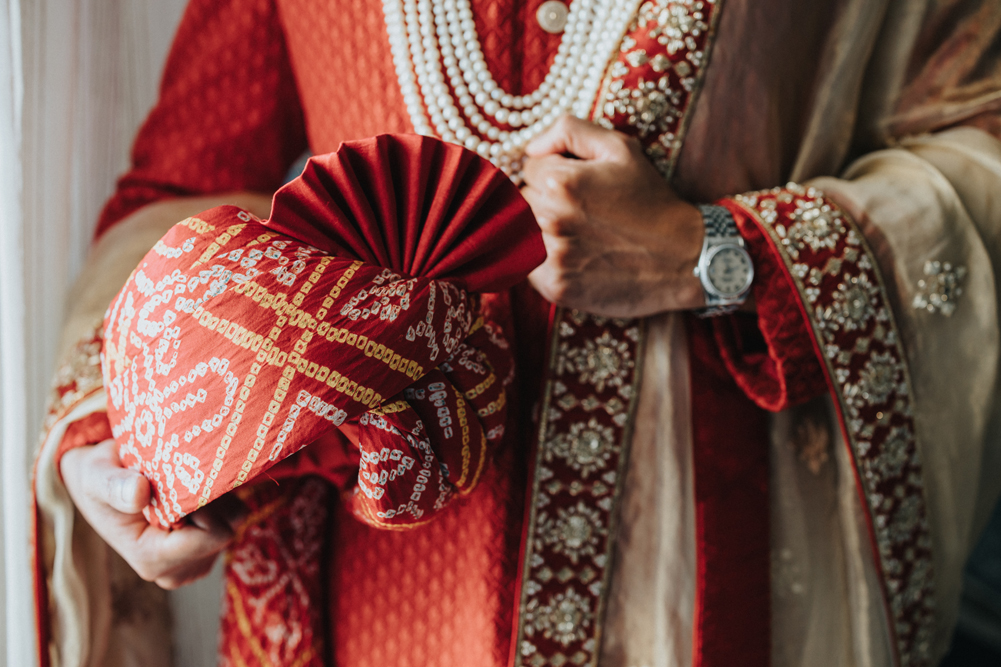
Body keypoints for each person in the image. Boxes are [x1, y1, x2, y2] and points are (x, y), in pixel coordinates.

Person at [32, 0, 1001, 666]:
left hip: (718, 573)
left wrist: (707, 251)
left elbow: (980, 133)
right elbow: (189, 191)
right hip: (373, 590)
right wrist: (120, 438)